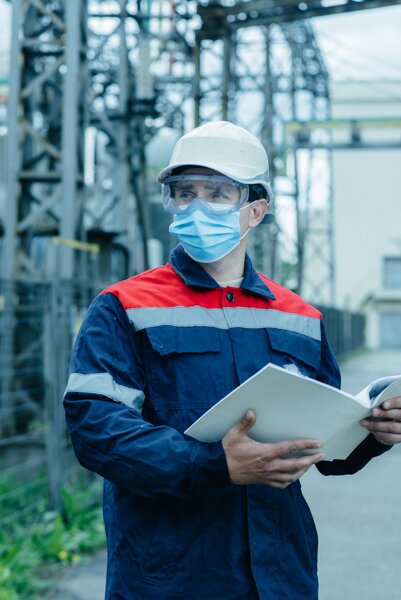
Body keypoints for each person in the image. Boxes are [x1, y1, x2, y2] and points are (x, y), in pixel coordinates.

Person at [64, 121, 401, 600]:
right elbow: (95, 430)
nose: (197, 206)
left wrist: (374, 435)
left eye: (218, 193)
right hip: (169, 577)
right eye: (184, 192)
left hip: (281, 574)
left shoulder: (298, 317)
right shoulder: (124, 306)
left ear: (255, 210)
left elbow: (328, 450)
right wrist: (214, 464)